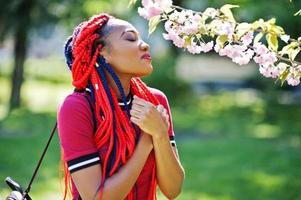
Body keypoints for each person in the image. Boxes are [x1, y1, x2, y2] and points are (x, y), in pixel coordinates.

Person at [57, 13, 185, 200]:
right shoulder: (77, 107)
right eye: (131, 38)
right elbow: (96, 197)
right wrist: (147, 142)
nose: (145, 44)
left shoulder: (155, 101)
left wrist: (160, 135)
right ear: (102, 52)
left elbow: (173, 190)